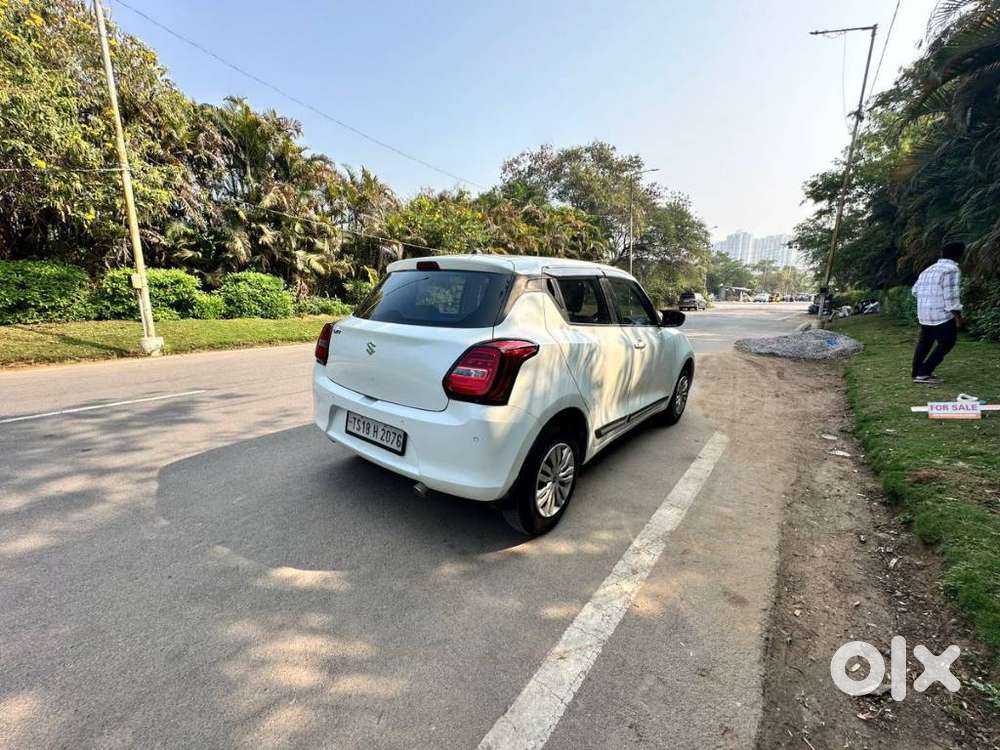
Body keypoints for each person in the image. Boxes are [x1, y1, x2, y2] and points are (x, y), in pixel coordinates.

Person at [910, 241, 965, 384]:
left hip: (924, 314)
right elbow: (951, 297)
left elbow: (915, 291)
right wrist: (958, 317)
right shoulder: (952, 270)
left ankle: (916, 372)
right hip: (942, 315)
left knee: (925, 343)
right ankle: (924, 373)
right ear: (960, 255)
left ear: (942, 253)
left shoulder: (928, 270)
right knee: (947, 342)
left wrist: (929, 300)